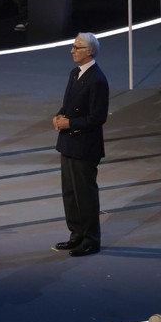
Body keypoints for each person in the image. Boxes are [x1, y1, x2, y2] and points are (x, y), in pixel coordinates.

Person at [52, 32, 109, 257]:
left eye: (77, 47)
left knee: (85, 195)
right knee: (70, 193)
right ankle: (76, 234)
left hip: (85, 145)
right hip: (68, 143)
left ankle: (90, 239)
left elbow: (98, 117)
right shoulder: (74, 73)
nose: (72, 51)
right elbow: (68, 104)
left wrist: (70, 123)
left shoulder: (97, 79)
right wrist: (59, 116)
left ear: (90, 51)